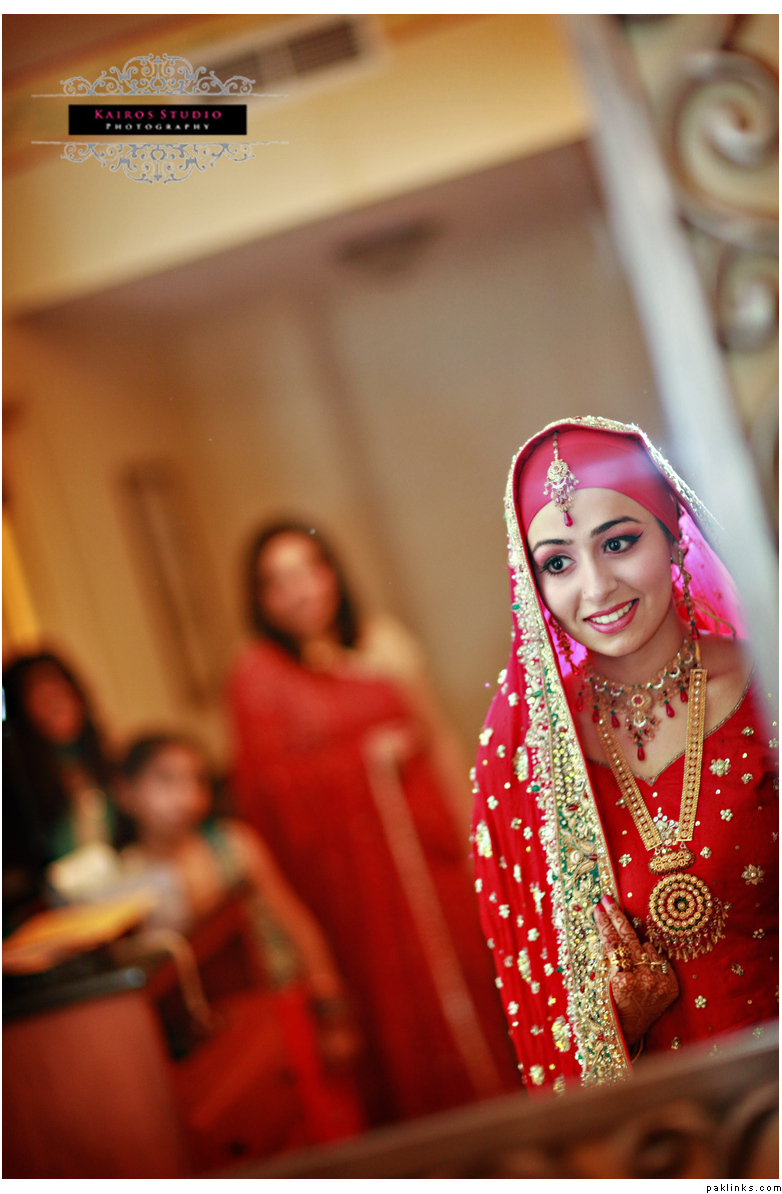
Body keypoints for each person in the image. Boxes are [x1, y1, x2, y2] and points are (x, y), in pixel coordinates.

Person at [472, 417, 778, 1092]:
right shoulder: (526, 758)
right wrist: (616, 1024)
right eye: (558, 563)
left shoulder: (771, 688)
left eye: (618, 542)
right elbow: (536, 1005)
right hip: (664, 1124)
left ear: (674, 532)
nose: (596, 587)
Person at [227, 521, 519, 1126]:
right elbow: (267, 803)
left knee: (478, 993)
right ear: (261, 600)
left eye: (310, 569)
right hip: (355, 896)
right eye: (279, 581)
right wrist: (364, 762)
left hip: (430, 863)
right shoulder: (259, 680)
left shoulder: (381, 646)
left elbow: (435, 738)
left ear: (332, 573)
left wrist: (476, 841)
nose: (300, 590)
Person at [115, 732, 364, 1150]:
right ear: (126, 793)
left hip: (284, 1004)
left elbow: (296, 923)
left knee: (329, 1129)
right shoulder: (127, 879)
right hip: (218, 1041)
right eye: (167, 780)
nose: (186, 797)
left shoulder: (233, 845)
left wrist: (331, 1006)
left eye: (197, 781)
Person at [2, 651, 127, 910]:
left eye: (58, 686)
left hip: (114, 898)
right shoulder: (16, 788)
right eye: (39, 693)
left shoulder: (98, 761)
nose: (55, 700)